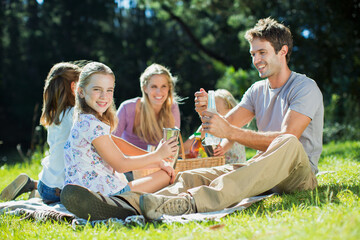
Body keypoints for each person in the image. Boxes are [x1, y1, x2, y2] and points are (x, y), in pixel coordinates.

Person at [60, 17, 324, 221]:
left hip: (296, 173)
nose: (256, 59)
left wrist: (229, 131)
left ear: (283, 51)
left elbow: (285, 139)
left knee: (288, 142)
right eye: (253, 53)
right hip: (262, 170)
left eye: (262, 52)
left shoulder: (304, 88)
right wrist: (205, 121)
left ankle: (192, 203)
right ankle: (124, 204)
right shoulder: (257, 91)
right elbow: (222, 127)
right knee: (189, 177)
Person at [61, 62, 179, 219]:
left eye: (109, 90)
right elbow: (121, 165)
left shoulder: (84, 120)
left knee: (161, 170)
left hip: (86, 189)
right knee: (166, 176)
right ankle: (122, 204)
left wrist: (157, 161)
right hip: (109, 192)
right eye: (97, 89)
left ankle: (113, 203)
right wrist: (157, 156)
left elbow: (115, 142)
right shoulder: (92, 124)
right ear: (80, 92)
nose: (104, 96)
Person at [0, 62, 81, 203]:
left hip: (47, 184)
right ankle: (35, 190)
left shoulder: (54, 115)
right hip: (61, 191)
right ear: (74, 87)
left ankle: (34, 187)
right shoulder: (77, 115)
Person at [113, 63, 181, 181]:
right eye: (154, 86)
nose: (159, 92)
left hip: (159, 167)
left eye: (163, 86)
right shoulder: (128, 108)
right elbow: (111, 141)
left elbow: (173, 145)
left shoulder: (172, 107)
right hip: (131, 168)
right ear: (145, 88)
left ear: (169, 88)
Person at [183, 89, 246, 163]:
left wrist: (222, 148)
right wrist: (198, 135)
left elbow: (230, 139)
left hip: (235, 169)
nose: (211, 115)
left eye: (216, 112)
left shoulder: (234, 126)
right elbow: (187, 146)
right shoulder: (209, 125)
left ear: (231, 111)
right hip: (218, 169)